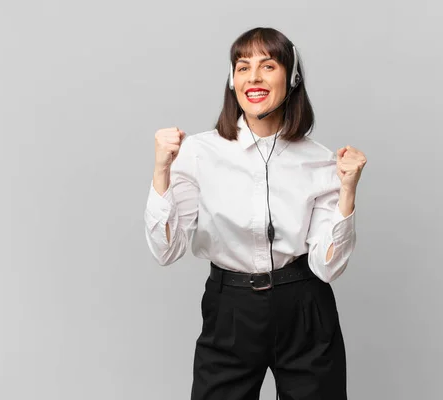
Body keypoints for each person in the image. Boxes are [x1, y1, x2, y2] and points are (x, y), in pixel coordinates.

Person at [144, 27, 366, 400]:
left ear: (292, 78)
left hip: (304, 305)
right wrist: (161, 171)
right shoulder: (198, 153)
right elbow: (165, 251)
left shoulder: (319, 160)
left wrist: (347, 191)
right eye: (243, 67)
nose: (254, 78)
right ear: (231, 80)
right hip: (230, 307)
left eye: (268, 66)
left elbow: (328, 268)